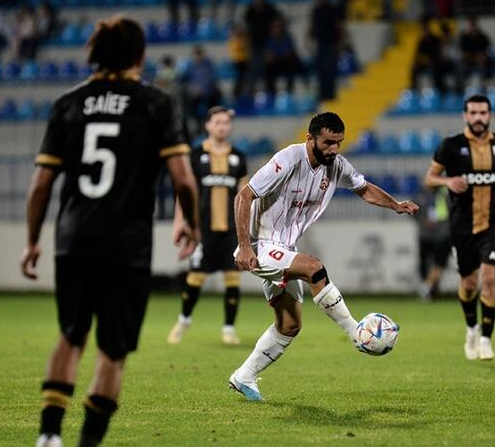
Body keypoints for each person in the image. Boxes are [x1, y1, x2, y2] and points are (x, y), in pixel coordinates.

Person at [20, 16, 200, 447]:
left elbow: (41, 184)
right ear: (139, 57)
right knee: (112, 355)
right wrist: (192, 221)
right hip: (127, 246)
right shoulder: (156, 103)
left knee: (70, 338)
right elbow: (183, 178)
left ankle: (46, 443)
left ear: (96, 53)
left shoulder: (68, 103)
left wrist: (34, 239)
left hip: (73, 239)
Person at [229, 112, 419, 401]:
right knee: (313, 268)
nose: (333, 149)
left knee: (289, 325)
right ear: (310, 138)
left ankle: (244, 376)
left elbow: (364, 189)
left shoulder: (336, 165)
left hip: (283, 248)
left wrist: (395, 205)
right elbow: (244, 196)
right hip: (260, 244)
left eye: (338, 143)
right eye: (328, 142)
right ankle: (356, 332)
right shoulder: (288, 160)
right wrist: (244, 246)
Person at [424, 94, 495, 361]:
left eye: (483, 113)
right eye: (473, 113)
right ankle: (471, 329)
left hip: (494, 221)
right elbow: (429, 178)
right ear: (465, 116)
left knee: (490, 278)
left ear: (490, 115)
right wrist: (448, 183)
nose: (478, 118)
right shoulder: (451, 146)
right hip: (462, 225)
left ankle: (486, 340)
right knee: (469, 284)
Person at [168, 106, 248, 346]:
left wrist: (248, 229)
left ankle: (229, 329)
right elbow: (184, 193)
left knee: (232, 277)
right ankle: (183, 321)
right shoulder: (195, 155)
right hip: (203, 229)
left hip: (231, 230)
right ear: (208, 126)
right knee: (196, 277)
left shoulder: (239, 157)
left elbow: (245, 197)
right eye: (218, 122)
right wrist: (179, 224)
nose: (222, 126)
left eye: (226, 122)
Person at [414, 185, 450, 300]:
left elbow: (452, 212)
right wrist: (423, 221)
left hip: (442, 235)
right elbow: (412, 211)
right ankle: (428, 289)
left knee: (439, 263)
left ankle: (428, 289)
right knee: (424, 265)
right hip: (425, 235)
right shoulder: (420, 195)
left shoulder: (445, 194)